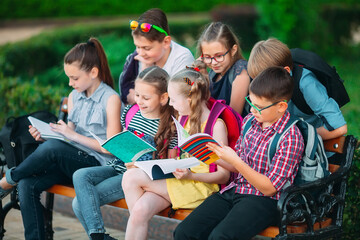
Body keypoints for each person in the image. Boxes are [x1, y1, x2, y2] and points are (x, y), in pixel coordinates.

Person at [0, 37, 122, 240]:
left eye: (74, 78)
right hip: (71, 162)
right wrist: (45, 138)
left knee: (53, 149)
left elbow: (111, 149)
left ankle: (8, 180)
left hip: (96, 166)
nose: (70, 83)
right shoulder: (74, 96)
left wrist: (69, 135)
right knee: (27, 184)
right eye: (68, 78)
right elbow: (66, 140)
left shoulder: (111, 99)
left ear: (93, 72)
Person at [174, 66, 305, 240]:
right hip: (236, 190)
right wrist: (210, 155)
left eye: (258, 107)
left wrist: (235, 162)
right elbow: (236, 164)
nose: (251, 110)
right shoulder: (250, 121)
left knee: (220, 237)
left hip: (265, 201)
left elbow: (269, 189)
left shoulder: (290, 137)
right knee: (184, 232)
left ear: (281, 106)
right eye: (250, 102)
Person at [121, 68, 230, 240]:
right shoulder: (183, 118)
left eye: (173, 99)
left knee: (130, 177)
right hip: (179, 180)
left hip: (199, 186)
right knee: (139, 211)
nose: (170, 104)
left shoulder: (216, 126)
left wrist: (190, 175)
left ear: (190, 99)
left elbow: (224, 176)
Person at [71, 66, 177, 240]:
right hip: (120, 165)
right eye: (137, 95)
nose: (140, 101)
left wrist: (140, 165)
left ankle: (98, 237)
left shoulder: (169, 125)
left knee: (78, 204)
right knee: (80, 175)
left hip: (138, 177)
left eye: (146, 98)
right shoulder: (131, 112)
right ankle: (99, 236)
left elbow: (169, 163)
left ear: (163, 98)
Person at [247, 38, 347, 140]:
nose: (260, 86)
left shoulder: (307, 84)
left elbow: (339, 128)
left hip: (315, 148)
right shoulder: (266, 81)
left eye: (265, 82)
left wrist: (298, 137)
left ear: (286, 71)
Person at [120, 8, 194, 106]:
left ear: (166, 42)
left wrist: (146, 71)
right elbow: (126, 94)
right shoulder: (136, 57)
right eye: (137, 46)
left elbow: (180, 100)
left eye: (147, 48)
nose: (140, 53)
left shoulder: (182, 59)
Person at [197, 22, 250, 116]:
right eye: (207, 56)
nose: (213, 62)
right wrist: (203, 76)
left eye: (219, 56)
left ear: (233, 50)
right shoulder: (213, 73)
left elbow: (233, 116)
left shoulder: (241, 72)